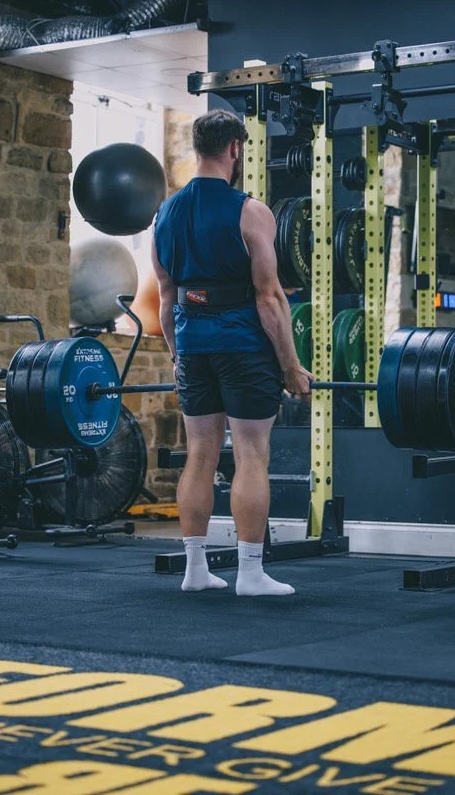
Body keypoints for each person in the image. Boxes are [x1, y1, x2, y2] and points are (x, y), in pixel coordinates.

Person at [152, 109, 313, 596]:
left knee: (199, 454)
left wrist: (180, 356)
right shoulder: (251, 211)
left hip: (193, 347)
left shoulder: (165, 213)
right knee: (250, 455)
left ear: (197, 149)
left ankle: (195, 571)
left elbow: (166, 299)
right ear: (236, 149)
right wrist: (290, 366)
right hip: (243, 348)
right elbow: (268, 299)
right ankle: (249, 573)